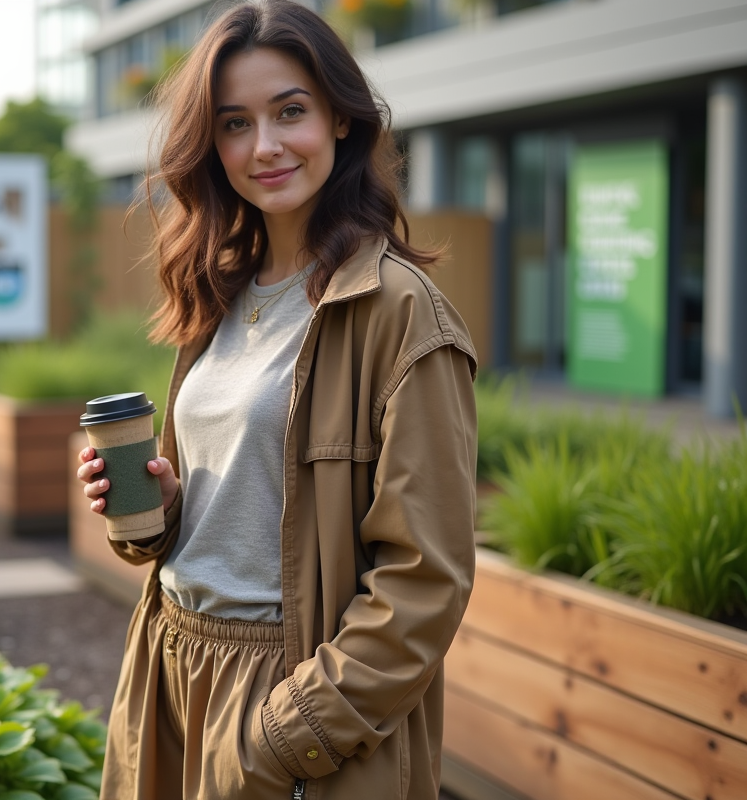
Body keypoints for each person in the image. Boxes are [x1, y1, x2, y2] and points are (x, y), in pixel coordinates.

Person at [75, 2, 477, 798]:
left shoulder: (400, 313)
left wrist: (281, 737)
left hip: (286, 695)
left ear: (339, 119)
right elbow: (248, 507)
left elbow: (424, 580)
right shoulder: (221, 291)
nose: (264, 146)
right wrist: (165, 509)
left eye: (290, 111)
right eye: (235, 123)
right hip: (170, 669)